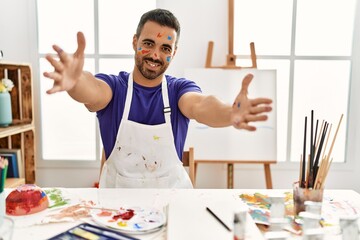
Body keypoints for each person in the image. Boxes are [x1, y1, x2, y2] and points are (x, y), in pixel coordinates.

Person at [43, 8, 272, 189]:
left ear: (174, 52)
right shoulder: (115, 87)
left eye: (165, 48)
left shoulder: (179, 90)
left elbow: (201, 105)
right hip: (116, 211)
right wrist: (75, 82)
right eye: (149, 44)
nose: (155, 55)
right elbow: (91, 90)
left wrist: (230, 113)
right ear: (135, 42)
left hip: (173, 205)